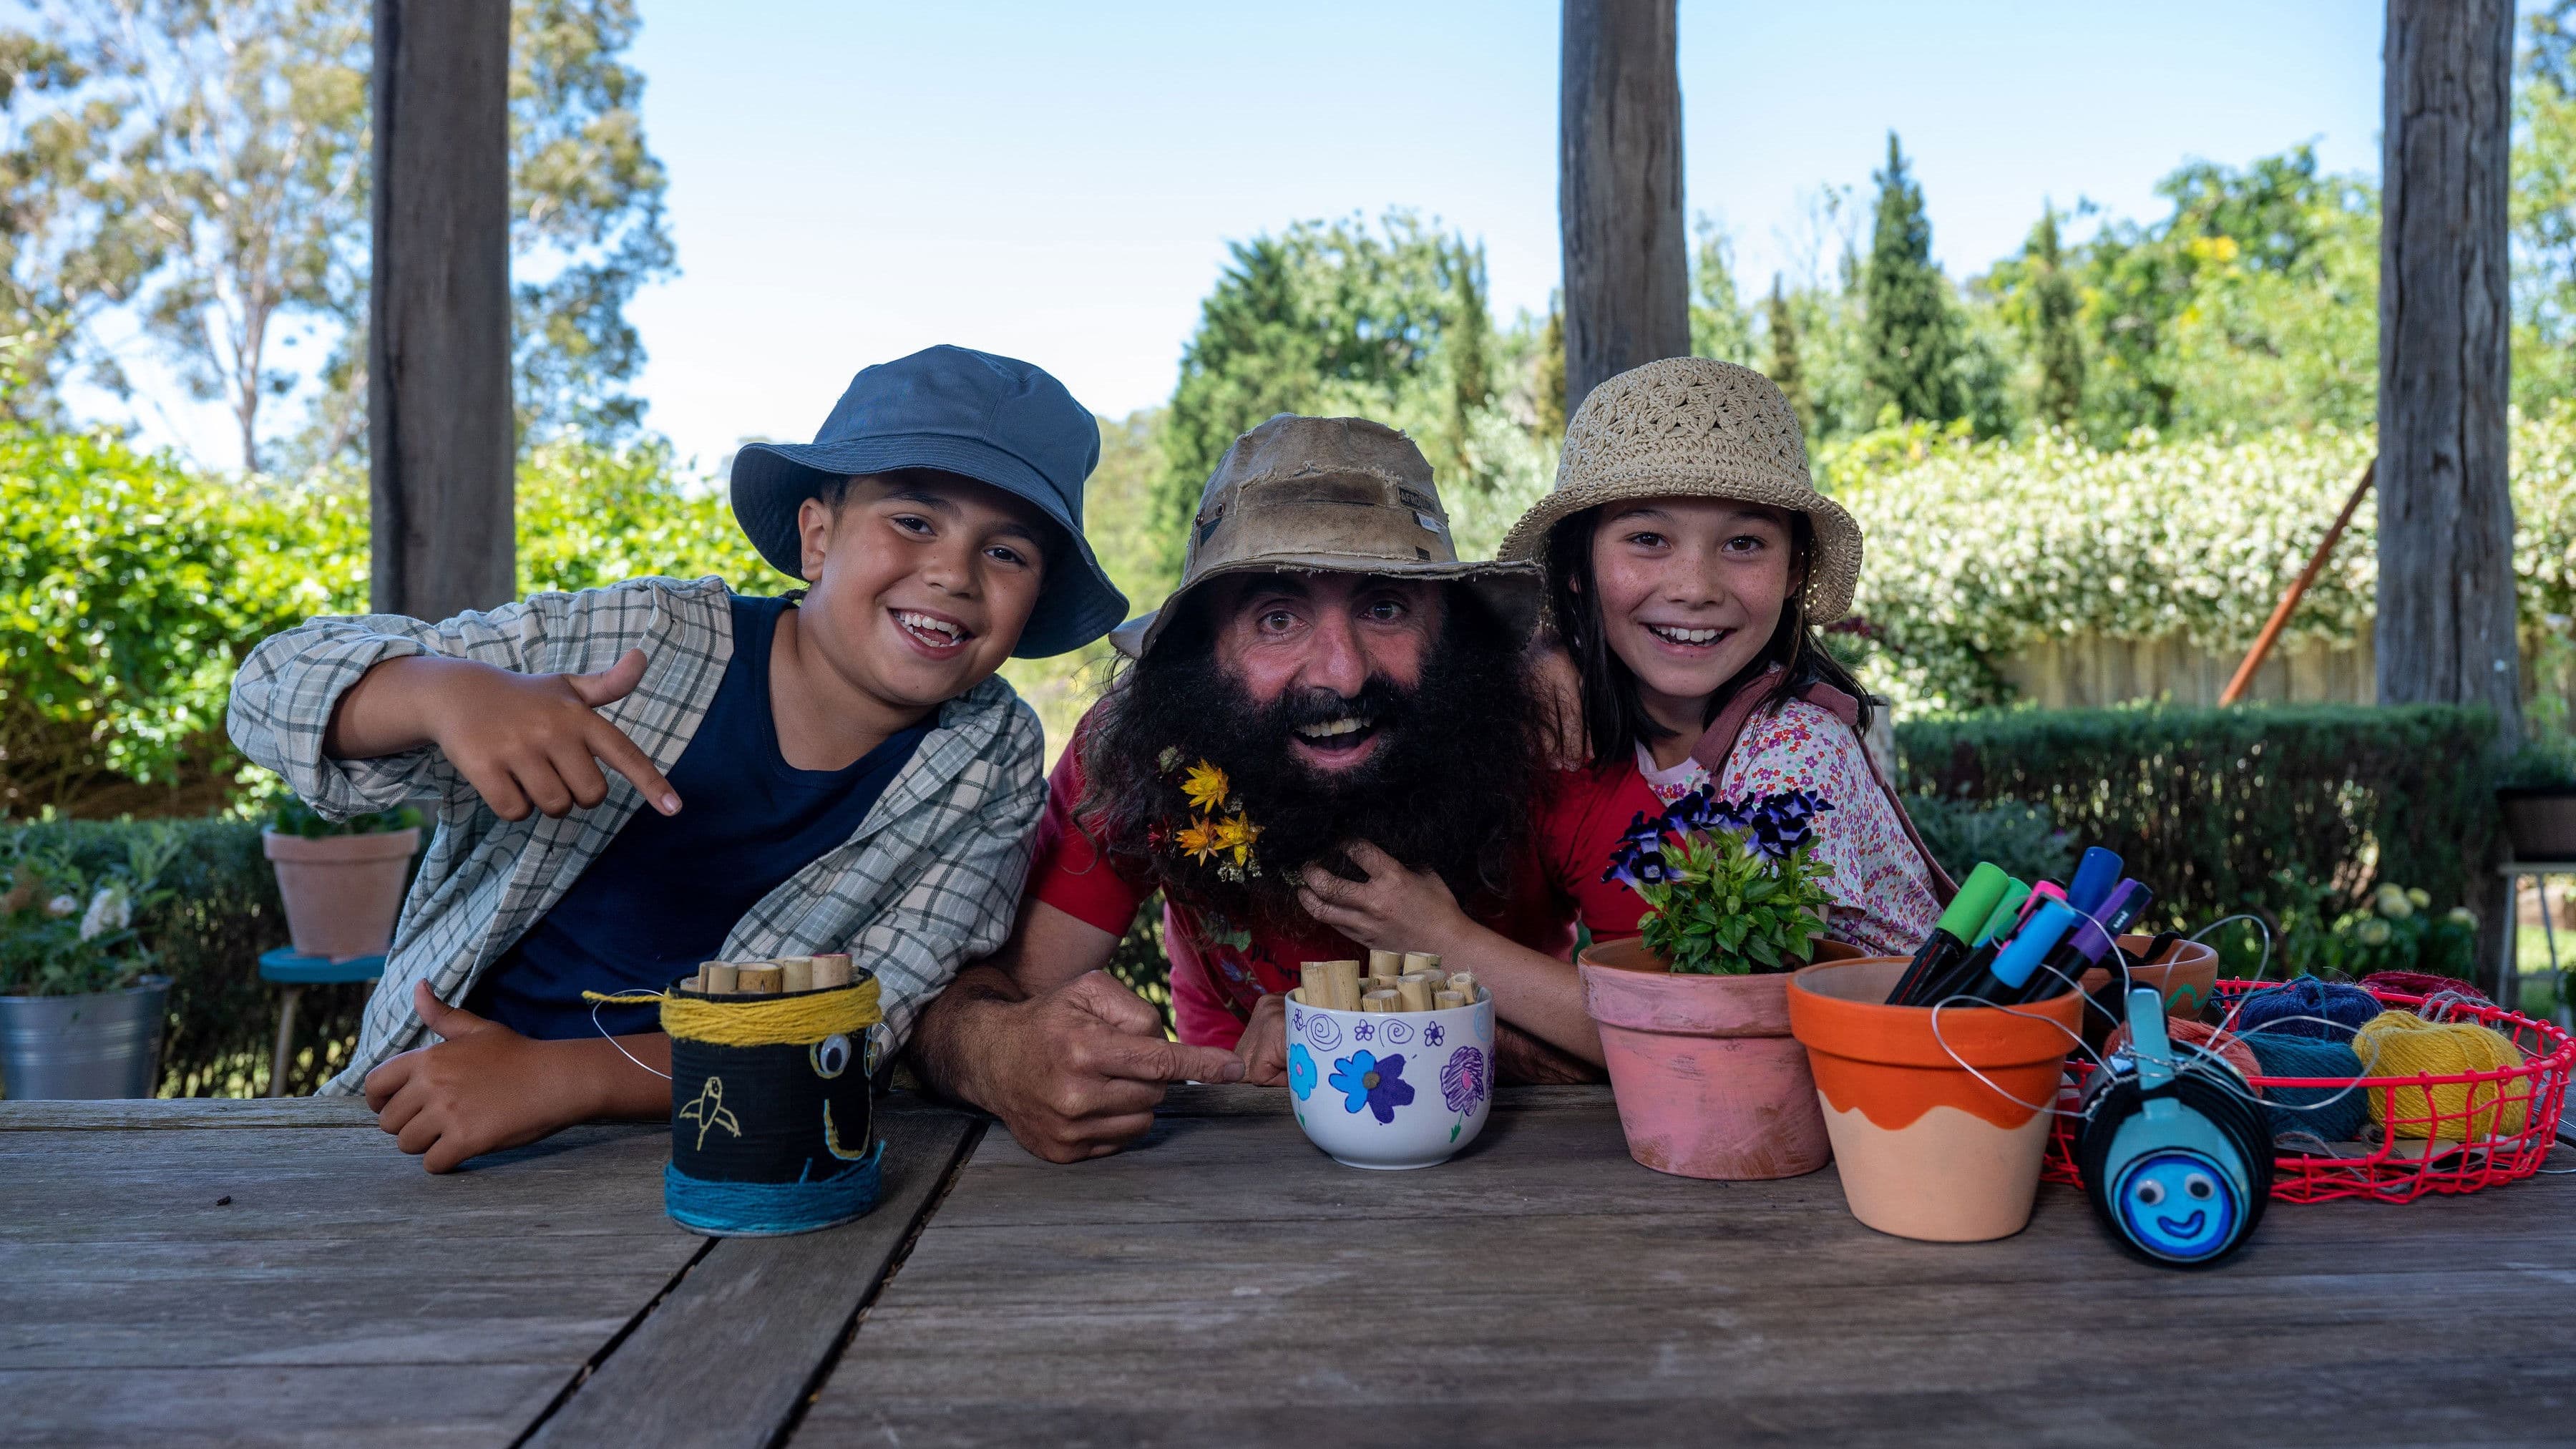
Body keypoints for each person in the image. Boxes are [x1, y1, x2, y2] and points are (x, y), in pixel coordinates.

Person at [227, 345, 1132, 1172]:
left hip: (734, 1161)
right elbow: (268, 688)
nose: (954, 573)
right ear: (817, 538)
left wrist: (560, 1080)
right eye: (914, 521)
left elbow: (868, 1020)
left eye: (1006, 551)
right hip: (427, 1123)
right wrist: (439, 691)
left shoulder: (989, 758)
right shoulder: (646, 637)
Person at [908, 414, 1604, 1163]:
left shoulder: (1550, 742)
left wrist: (1360, 1027)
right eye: (1277, 618)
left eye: (1385, 608)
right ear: (1201, 657)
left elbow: (1703, 1038)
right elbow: (987, 1003)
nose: (1342, 672)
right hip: (1237, 1141)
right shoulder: (1135, 759)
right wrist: (1006, 1057)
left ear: (1454, 639)